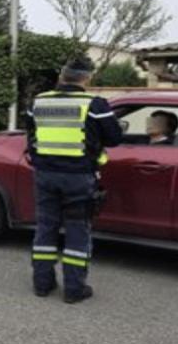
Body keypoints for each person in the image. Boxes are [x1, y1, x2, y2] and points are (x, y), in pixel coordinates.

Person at [26, 58, 122, 304]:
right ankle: (74, 289)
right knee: (77, 230)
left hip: (45, 175)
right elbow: (114, 138)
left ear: (62, 75)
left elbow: (31, 136)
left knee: (45, 227)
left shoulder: (38, 102)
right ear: (86, 78)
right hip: (79, 177)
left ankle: (42, 284)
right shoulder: (95, 104)